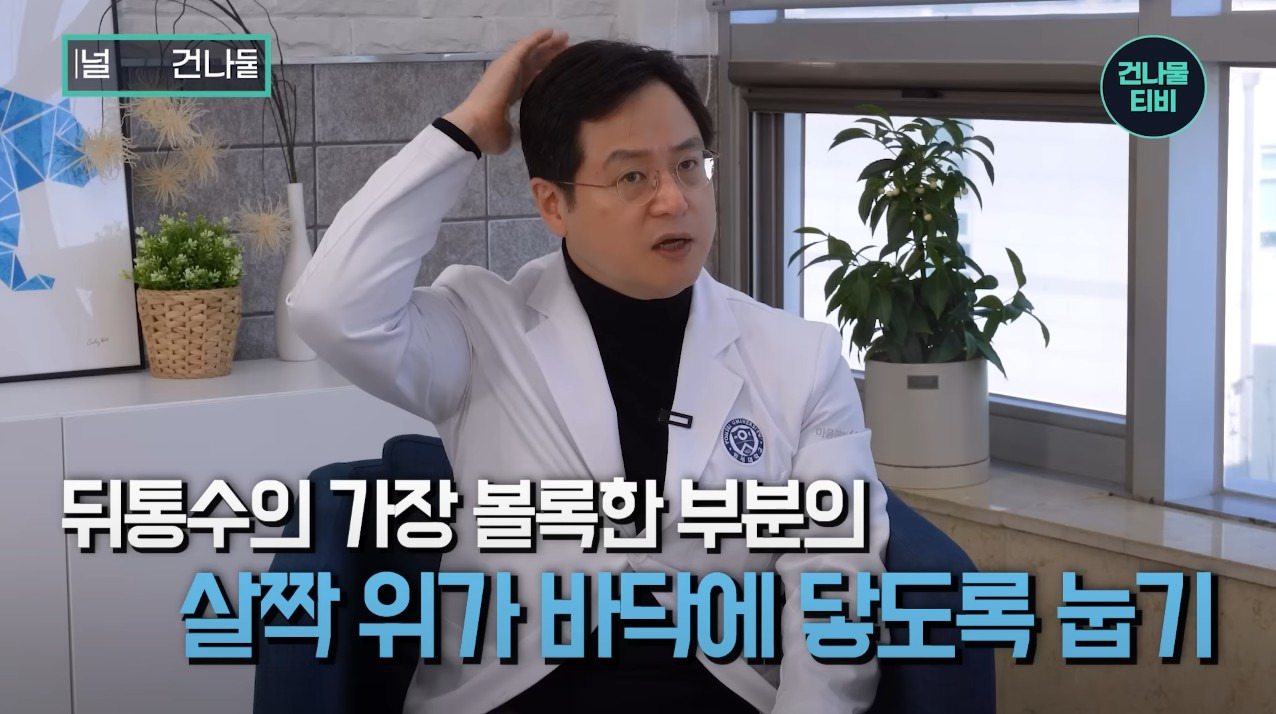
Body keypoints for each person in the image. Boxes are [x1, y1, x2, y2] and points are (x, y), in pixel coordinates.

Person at [287, 28, 890, 714]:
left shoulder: (800, 357)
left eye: (689, 165)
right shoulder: (480, 329)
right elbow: (330, 308)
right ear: (553, 204)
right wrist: (466, 130)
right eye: (633, 176)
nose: (674, 200)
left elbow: (837, 580)